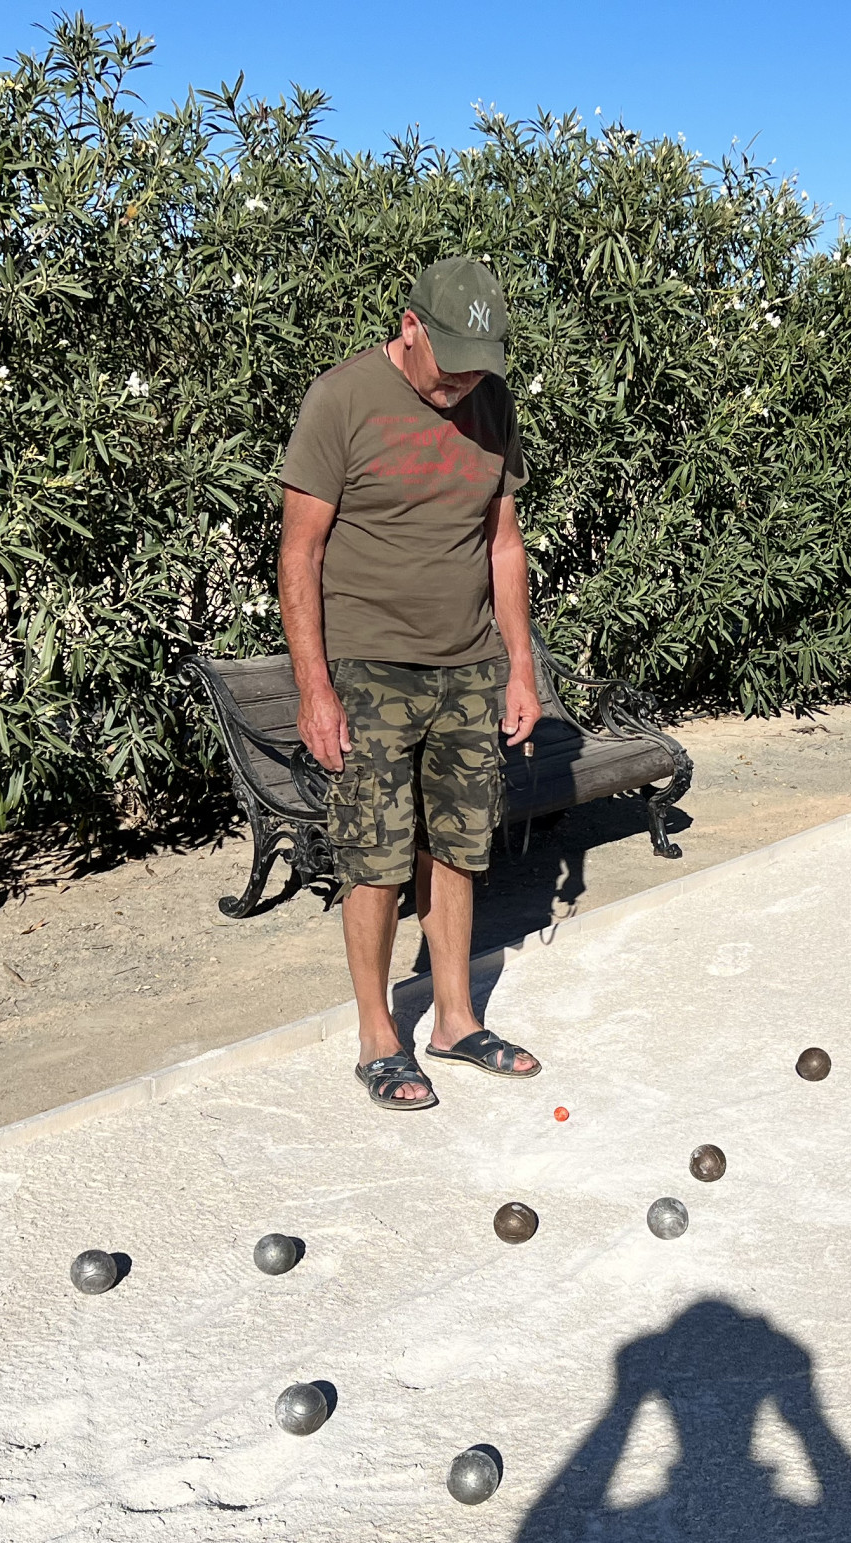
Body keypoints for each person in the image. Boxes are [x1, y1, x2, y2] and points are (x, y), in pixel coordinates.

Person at [278, 257, 546, 1111]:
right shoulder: (342, 400)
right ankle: (377, 1034)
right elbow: (300, 553)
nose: (463, 380)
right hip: (368, 667)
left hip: (468, 666)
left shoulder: (490, 403)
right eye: (451, 359)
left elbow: (503, 544)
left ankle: (456, 1020)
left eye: (479, 364)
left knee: (461, 845)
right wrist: (314, 687)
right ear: (410, 325)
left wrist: (521, 664)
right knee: (377, 854)